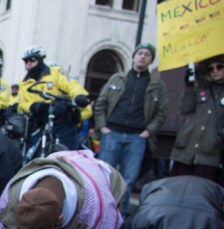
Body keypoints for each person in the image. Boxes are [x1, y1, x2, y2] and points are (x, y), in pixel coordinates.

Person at [94, 43, 168, 214]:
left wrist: (148, 132)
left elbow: (161, 113)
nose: (142, 56)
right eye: (140, 53)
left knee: (127, 181)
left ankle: (119, 219)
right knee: (105, 177)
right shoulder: (118, 78)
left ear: (151, 60)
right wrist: (102, 126)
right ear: (134, 56)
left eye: (147, 54)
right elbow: (101, 103)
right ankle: (99, 214)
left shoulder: (157, 85)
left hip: (137, 137)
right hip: (112, 133)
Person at [17, 45, 91, 151]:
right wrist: (33, 106)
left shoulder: (55, 73)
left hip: (59, 120)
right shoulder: (24, 83)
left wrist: (79, 95)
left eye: (32, 60)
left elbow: (71, 85)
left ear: (40, 59)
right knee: (34, 152)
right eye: (26, 61)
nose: (28, 63)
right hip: (39, 121)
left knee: (63, 151)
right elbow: (21, 104)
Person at [169, 55, 224, 182]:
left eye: (219, 67)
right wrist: (189, 86)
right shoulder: (201, 87)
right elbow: (185, 109)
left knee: (200, 195)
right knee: (176, 188)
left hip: (209, 155)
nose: (215, 71)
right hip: (186, 151)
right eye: (210, 69)